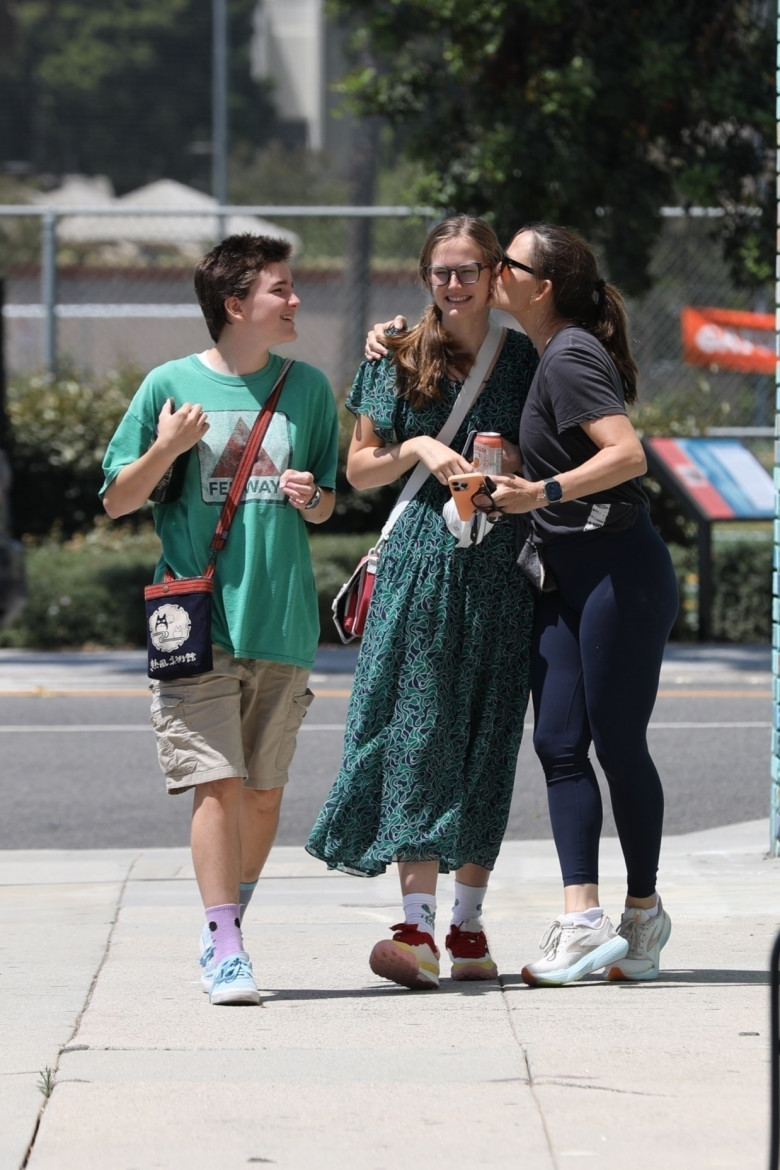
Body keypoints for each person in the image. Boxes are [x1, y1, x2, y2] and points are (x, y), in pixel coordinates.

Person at [101, 234, 339, 1005]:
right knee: (218, 783)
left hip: (283, 619)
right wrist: (167, 447)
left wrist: (314, 496)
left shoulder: (305, 389)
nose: (295, 299)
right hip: (196, 619)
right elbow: (117, 500)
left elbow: (330, 501)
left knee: (264, 792)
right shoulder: (168, 385)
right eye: (281, 289)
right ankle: (227, 943)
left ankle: (223, 925)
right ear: (236, 305)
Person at [306, 215, 538, 990]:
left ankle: (467, 927)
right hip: (417, 567)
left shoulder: (525, 358)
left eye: (469, 269)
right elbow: (360, 470)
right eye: (441, 270)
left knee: (487, 733)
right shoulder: (397, 355)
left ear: (494, 275)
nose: (455, 284)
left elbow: (548, 454)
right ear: (424, 276)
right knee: (416, 731)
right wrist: (418, 448)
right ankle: (414, 927)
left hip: (500, 568)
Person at [487, 221, 678, 986]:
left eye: (508, 262)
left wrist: (543, 490)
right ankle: (582, 922)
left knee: (618, 744)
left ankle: (643, 914)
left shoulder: (569, 354)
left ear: (541, 286)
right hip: (569, 577)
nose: (496, 270)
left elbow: (627, 453)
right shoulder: (546, 354)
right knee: (559, 743)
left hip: (620, 575)